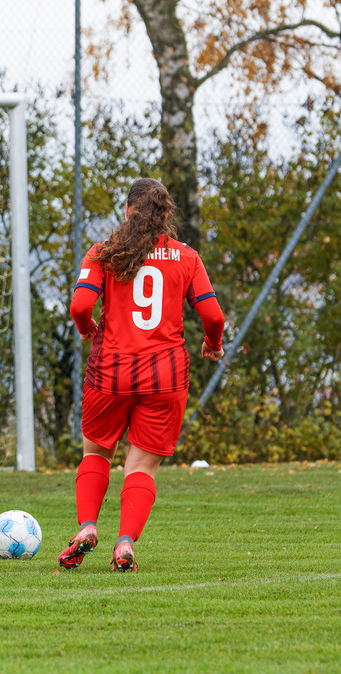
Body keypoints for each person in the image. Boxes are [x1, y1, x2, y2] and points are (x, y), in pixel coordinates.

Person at [61, 177, 224, 573]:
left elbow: (80, 305)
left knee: (97, 452)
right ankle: (124, 541)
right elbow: (214, 316)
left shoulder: (104, 252)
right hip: (165, 374)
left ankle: (86, 527)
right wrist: (213, 343)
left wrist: (87, 330)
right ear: (165, 215)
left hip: (111, 371)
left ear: (128, 210)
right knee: (141, 467)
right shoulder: (187, 256)